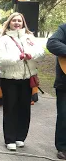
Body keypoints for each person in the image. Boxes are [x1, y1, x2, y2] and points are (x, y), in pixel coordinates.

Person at [0, 12, 44, 151]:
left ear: (23, 23)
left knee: (24, 109)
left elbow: (41, 54)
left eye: (19, 21)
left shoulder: (30, 38)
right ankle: (9, 139)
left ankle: (20, 137)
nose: (17, 23)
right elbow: (1, 59)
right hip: (9, 79)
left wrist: (31, 55)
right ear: (9, 23)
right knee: (10, 109)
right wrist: (18, 57)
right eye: (14, 20)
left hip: (26, 79)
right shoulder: (4, 40)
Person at [46, 23, 66, 160]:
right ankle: (63, 147)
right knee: (64, 115)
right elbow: (52, 43)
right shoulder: (64, 28)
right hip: (65, 82)